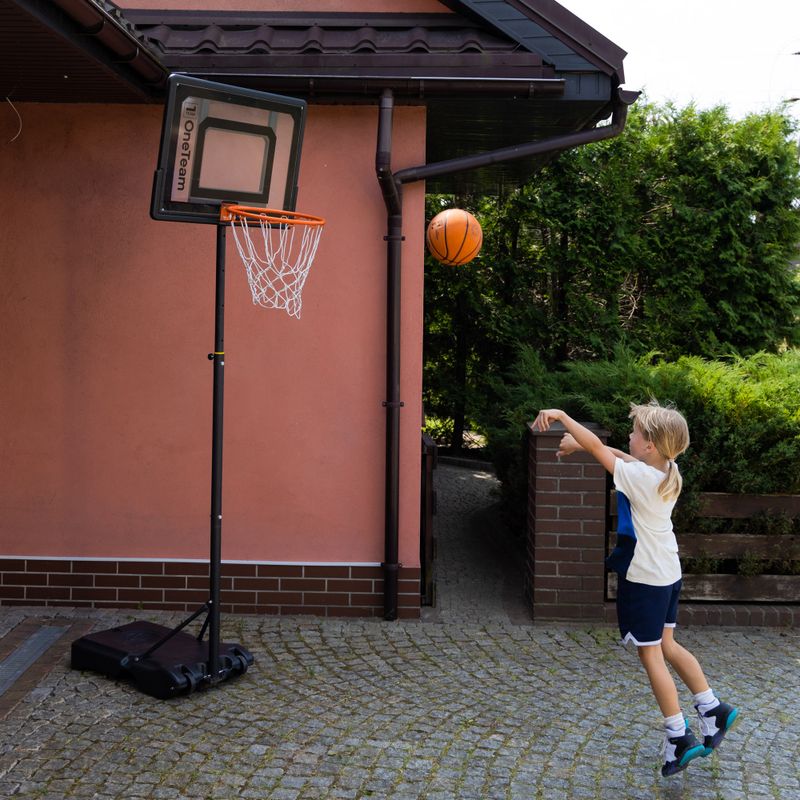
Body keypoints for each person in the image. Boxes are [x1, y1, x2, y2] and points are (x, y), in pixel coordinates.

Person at [533, 401, 739, 777]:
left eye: (636, 433)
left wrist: (563, 417)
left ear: (650, 445)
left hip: (645, 577)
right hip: (668, 572)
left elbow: (599, 448)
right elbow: (615, 455)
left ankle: (678, 736)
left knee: (651, 654)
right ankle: (712, 707)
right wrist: (583, 446)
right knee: (667, 644)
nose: (630, 436)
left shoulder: (641, 479)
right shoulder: (667, 470)